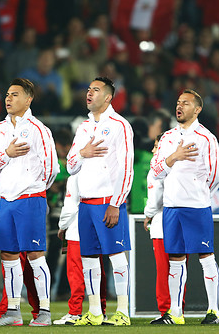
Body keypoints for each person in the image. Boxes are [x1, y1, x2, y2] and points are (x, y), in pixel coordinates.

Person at [0, 78, 59, 326]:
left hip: (30, 198)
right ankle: (13, 312)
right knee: (9, 254)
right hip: (7, 201)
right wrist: (7, 154)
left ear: (28, 99)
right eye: (7, 94)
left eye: (15, 95)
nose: (8, 99)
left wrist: (35, 191)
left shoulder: (39, 129)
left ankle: (44, 311)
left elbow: (52, 168)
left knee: (35, 253)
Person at [147, 90, 219, 325]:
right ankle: (175, 313)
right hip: (171, 207)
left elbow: (216, 175)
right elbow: (156, 169)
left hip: (196, 206)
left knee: (206, 256)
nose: (179, 106)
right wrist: (174, 157)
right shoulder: (168, 137)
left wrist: (197, 194)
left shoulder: (206, 138)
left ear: (197, 109)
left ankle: (213, 311)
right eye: (178, 102)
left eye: (186, 103)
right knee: (176, 260)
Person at [66, 77, 134, 326]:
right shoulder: (83, 127)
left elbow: (127, 167)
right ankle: (95, 312)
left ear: (108, 97)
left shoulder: (120, 125)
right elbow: (70, 166)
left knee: (117, 256)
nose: (89, 93)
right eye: (88, 89)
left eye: (96, 90)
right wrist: (82, 153)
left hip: (108, 202)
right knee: (89, 259)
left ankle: (123, 312)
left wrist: (116, 202)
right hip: (85, 202)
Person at [55, 174, 107, 325]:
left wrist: (62, 226)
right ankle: (100, 311)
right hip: (96, 229)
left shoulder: (75, 177)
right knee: (98, 272)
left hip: (77, 230)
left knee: (76, 273)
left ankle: (75, 312)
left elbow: (70, 206)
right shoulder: (101, 173)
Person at [143, 134, 171, 322]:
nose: (153, 151)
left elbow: (155, 197)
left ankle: (166, 311)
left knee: (163, 271)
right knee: (177, 269)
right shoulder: (177, 166)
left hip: (161, 223)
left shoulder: (156, 168)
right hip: (178, 222)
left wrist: (148, 214)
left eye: (156, 146)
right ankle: (176, 309)